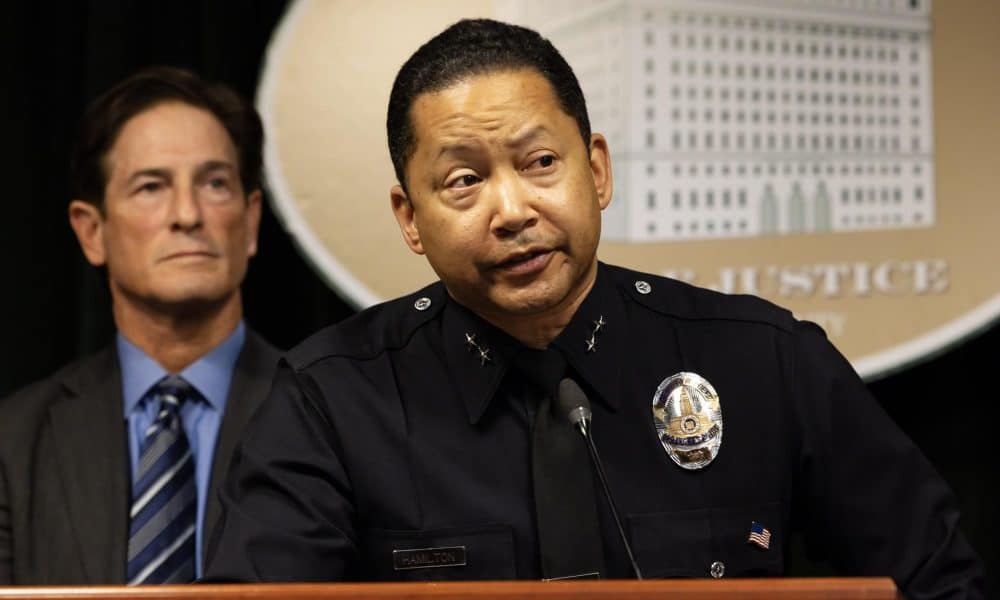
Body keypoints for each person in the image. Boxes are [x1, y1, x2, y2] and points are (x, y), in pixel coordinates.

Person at [204, 19, 984, 598]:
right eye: (464, 181)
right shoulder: (332, 401)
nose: (512, 209)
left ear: (597, 170)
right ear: (410, 218)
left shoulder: (765, 360)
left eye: (541, 162)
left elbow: (938, 582)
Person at [0, 66, 280, 585]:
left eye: (215, 183)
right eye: (151, 186)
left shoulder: (330, 417)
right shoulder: (13, 442)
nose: (187, 214)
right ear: (91, 231)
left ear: (250, 221)